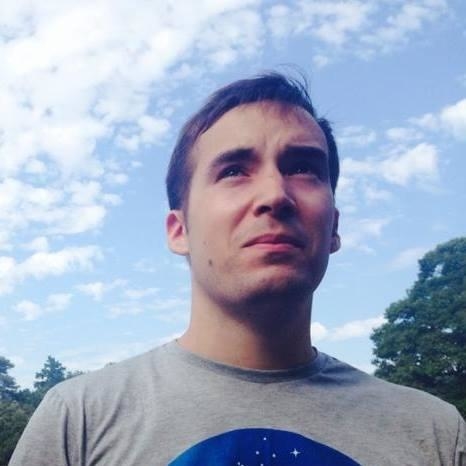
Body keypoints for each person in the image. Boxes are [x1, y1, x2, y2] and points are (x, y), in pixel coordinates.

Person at [10, 73, 465, 465]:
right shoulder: (78, 421)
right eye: (233, 171)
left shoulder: (437, 436)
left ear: (334, 227)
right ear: (179, 231)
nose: (275, 195)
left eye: (304, 168)